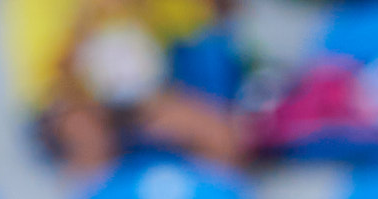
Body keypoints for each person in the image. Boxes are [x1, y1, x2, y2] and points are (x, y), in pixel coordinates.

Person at [14, 0, 250, 173]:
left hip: (147, 100)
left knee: (221, 138)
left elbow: (202, 20)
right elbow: (49, 82)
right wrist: (88, 18)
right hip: (75, 102)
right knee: (88, 138)